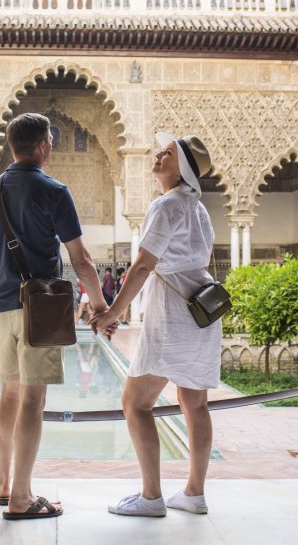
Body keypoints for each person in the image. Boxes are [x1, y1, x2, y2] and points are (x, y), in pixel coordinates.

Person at [0, 112, 107, 520]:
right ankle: (21, 498)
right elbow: (82, 259)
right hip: (40, 308)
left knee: (9, 396)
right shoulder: (54, 191)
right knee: (33, 401)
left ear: (12, 147)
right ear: (44, 146)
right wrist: (102, 307)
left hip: (5, 306)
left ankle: (2, 484)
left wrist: (4, 293)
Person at [90, 133, 219, 518]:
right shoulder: (198, 209)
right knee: (194, 403)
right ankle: (194, 493)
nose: (159, 156)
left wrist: (113, 313)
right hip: (203, 311)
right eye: (160, 151)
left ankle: (151, 497)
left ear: (185, 169)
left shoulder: (165, 206)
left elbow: (144, 265)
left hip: (174, 314)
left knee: (135, 403)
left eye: (169, 154)